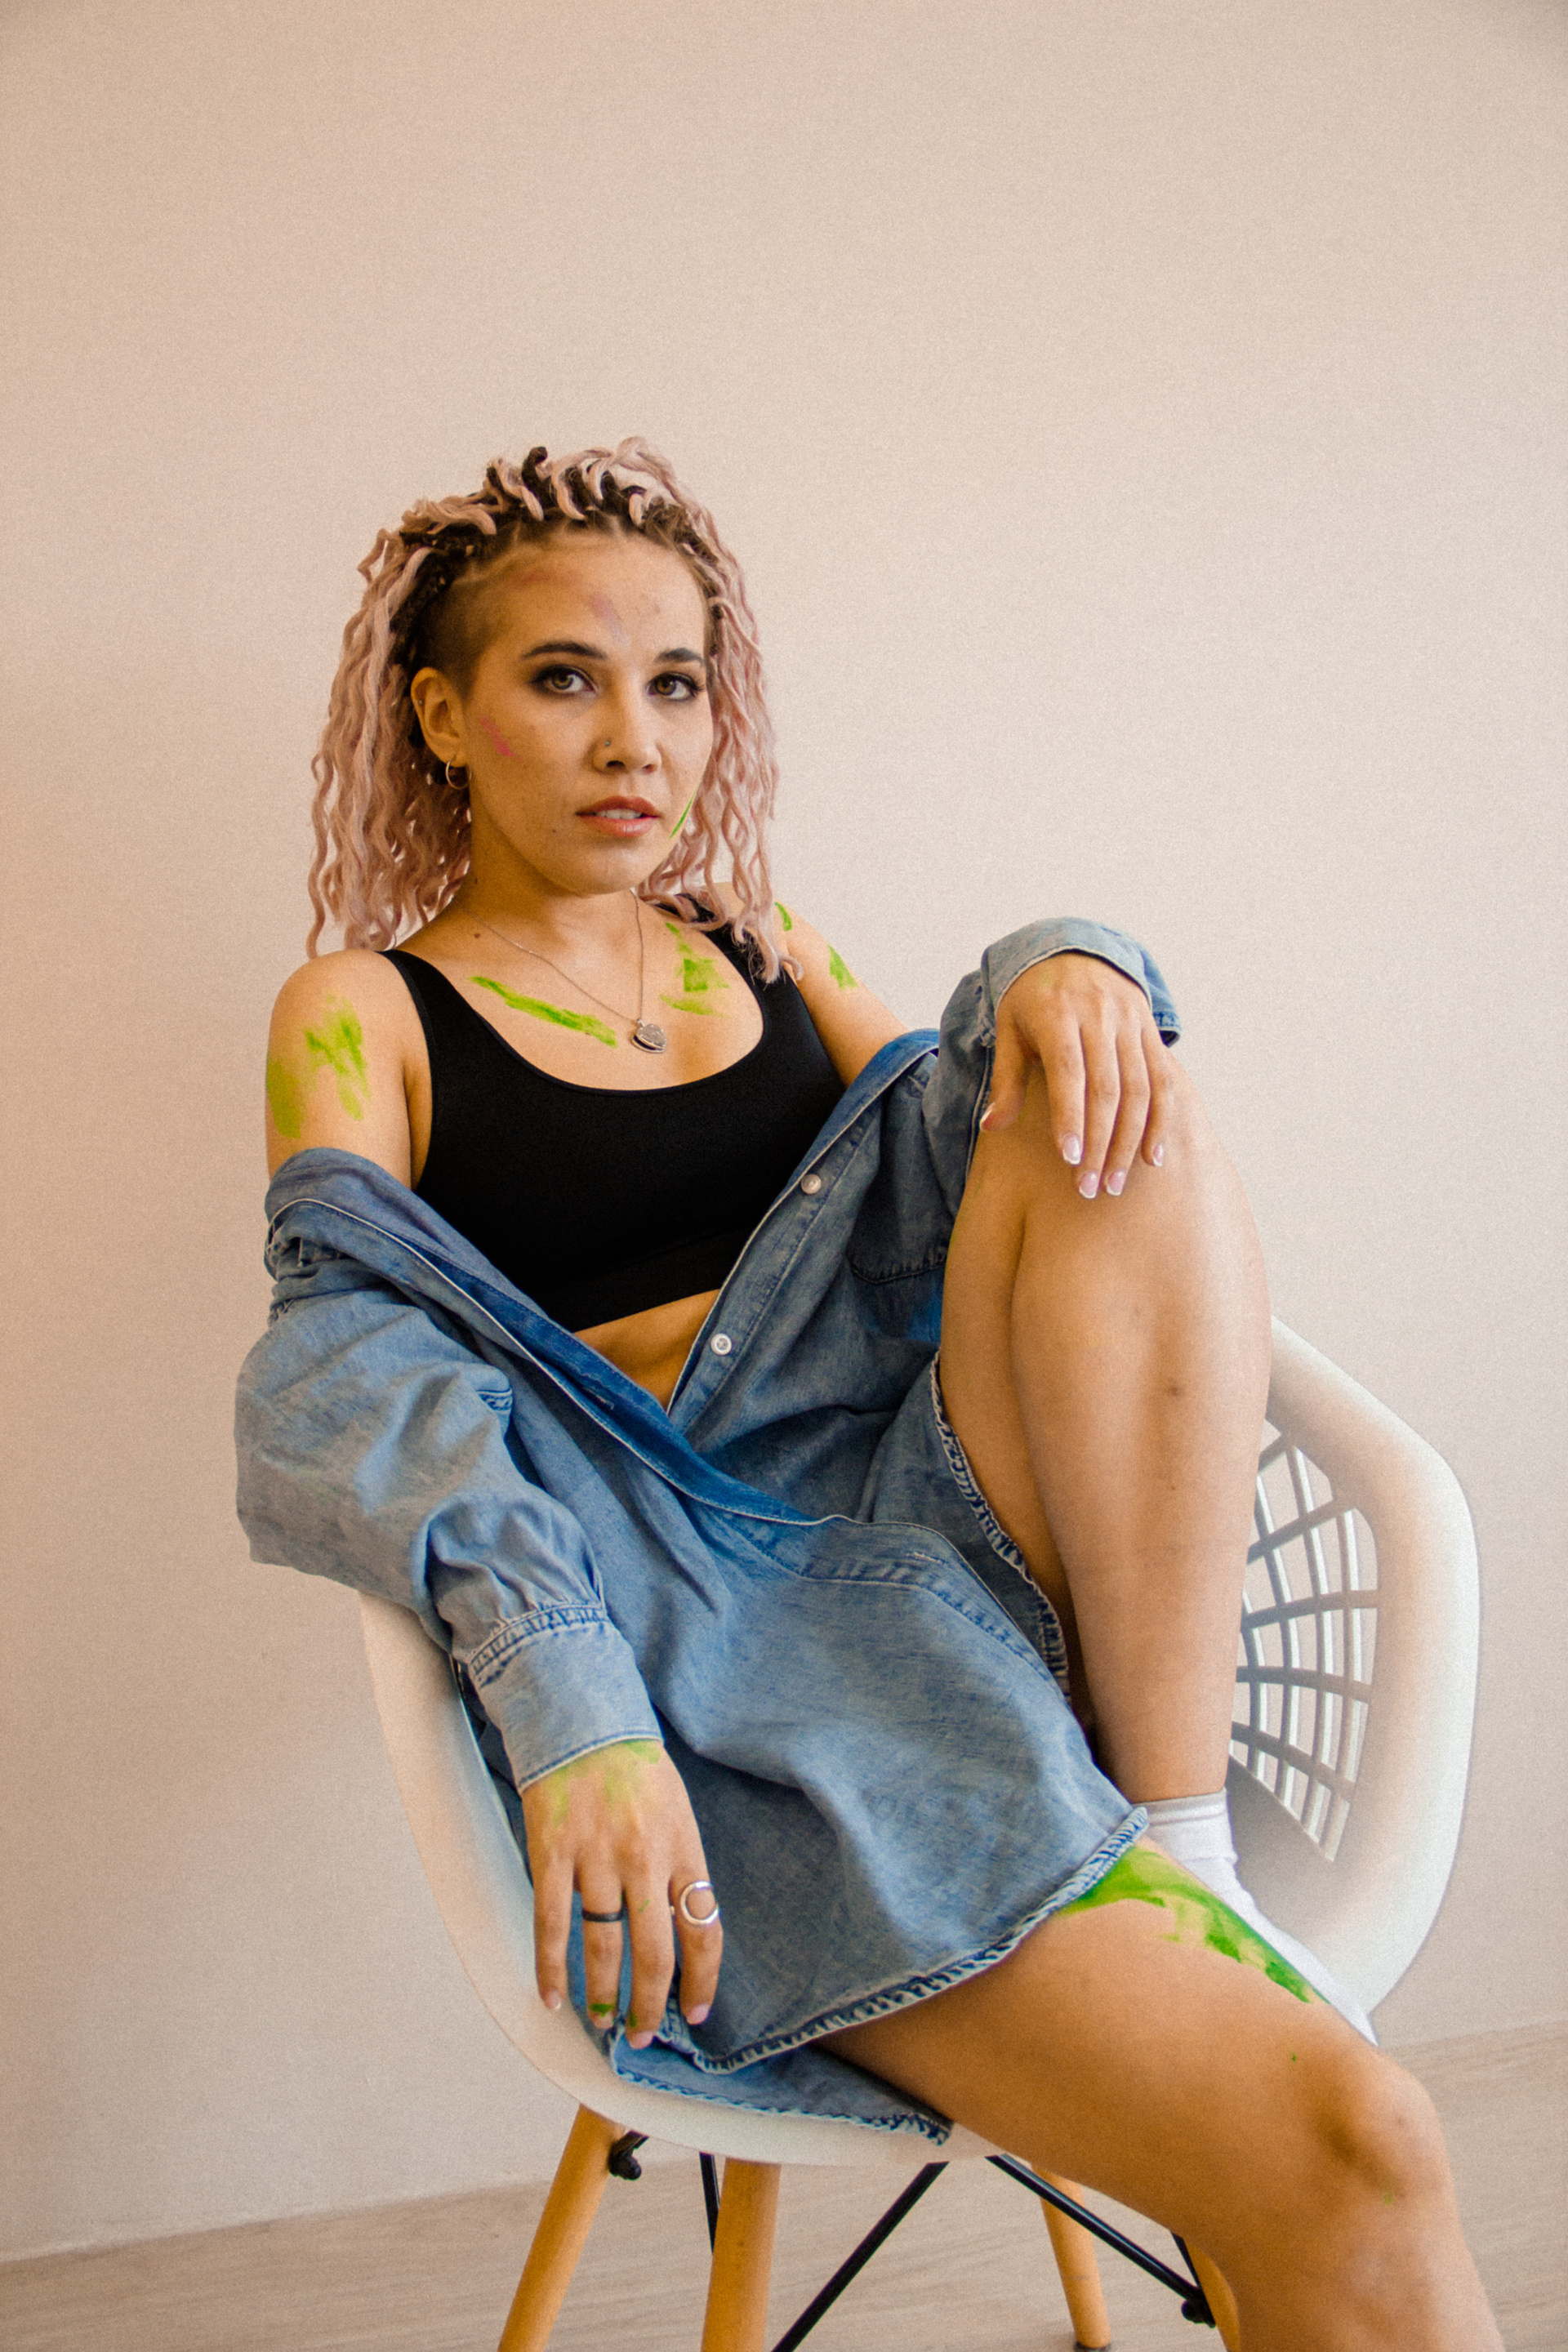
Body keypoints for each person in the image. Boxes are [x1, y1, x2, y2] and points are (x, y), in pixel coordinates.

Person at [237, 439, 1499, 2345]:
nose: (634, 741)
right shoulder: (363, 1014)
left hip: (953, 1536)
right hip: (721, 1650)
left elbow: (995, 1136)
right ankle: (1130, 1870)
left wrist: (1071, 962)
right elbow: (349, 1368)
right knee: (1360, 2143)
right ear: (440, 717)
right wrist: (571, 1697)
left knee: (1098, 1076)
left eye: (676, 684)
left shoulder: (766, 951)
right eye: (564, 679)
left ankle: (1175, 1834)